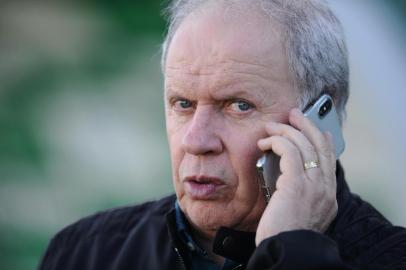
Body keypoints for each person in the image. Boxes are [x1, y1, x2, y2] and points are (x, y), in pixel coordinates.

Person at [38, 0, 406, 269]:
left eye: (238, 105)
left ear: (321, 117)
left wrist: (290, 250)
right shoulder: (85, 253)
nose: (195, 142)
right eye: (182, 104)